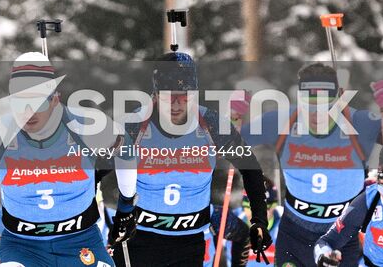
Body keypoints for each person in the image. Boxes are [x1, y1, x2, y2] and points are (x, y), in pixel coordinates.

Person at [238, 64, 383, 267]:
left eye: (326, 106)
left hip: (341, 236)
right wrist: (234, 119)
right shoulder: (281, 121)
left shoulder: (359, 123)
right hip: (294, 236)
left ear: (339, 98)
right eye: (309, 106)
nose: (317, 114)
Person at [0, 52, 119, 267]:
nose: (29, 112)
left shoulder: (84, 125)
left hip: (80, 241)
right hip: (22, 246)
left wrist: (127, 205)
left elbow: (125, 154)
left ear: (54, 99)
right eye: (20, 102)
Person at [108, 52, 271, 267]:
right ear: (155, 94)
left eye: (184, 96)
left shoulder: (211, 124)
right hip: (139, 242)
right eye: (168, 96)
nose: (176, 105)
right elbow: (94, 169)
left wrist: (259, 220)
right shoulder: (134, 125)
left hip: (189, 244)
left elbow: (250, 168)